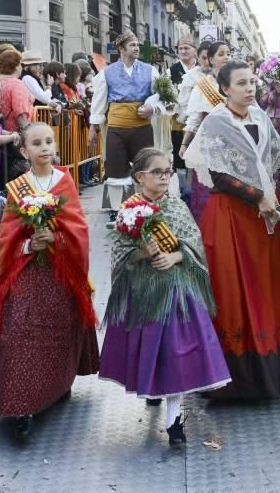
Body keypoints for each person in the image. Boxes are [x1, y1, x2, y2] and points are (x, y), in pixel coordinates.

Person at [184, 60, 280, 398]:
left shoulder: (261, 117)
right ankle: (242, 374)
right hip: (233, 217)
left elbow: (275, 162)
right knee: (239, 287)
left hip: (266, 215)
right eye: (241, 83)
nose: (249, 88)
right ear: (225, 89)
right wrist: (256, 196)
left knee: (272, 281)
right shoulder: (215, 123)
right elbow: (218, 176)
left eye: (251, 81)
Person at [0, 122, 99, 439]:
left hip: (61, 269)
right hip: (27, 269)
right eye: (37, 143)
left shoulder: (65, 181)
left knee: (58, 326)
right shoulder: (18, 187)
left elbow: (79, 230)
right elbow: (9, 235)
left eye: (48, 142)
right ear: (24, 149)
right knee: (19, 327)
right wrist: (31, 244)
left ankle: (56, 384)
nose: (44, 148)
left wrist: (56, 238)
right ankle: (22, 404)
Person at [99, 147, 230, 444]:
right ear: (139, 177)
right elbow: (120, 255)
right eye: (157, 172)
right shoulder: (128, 210)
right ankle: (153, 391)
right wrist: (141, 253)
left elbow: (193, 244)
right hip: (141, 289)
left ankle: (174, 422)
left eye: (168, 171)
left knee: (173, 350)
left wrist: (174, 258)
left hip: (174, 287)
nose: (165, 177)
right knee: (150, 348)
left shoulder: (176, 207)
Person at [89, 31, 170, 223]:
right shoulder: (106, 73)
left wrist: (152, 108)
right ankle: (115, 209)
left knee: (146, 166)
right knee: (115, 167)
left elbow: (162, 98)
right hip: (117, 127)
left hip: (142, 127)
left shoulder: (150, 70)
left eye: (137, 45)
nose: (136, 48)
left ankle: (148, 202)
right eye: (132, 45)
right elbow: (98, 101)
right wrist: (93, 128)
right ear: (121, 49)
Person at [179, 41, 231, 221]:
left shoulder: (237, 82)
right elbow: (194, 119)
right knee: (205, 189)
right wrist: (185, 143)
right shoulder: (203, 86)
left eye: (228, 53)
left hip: (233, 143)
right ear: (211, 59)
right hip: (207, 144)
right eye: (221, 54)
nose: (226, 57)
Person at [169, 35, 197, 173]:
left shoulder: (202, 68)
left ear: (194, 50)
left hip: (199, 118)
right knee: (179, 151)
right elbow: (167, 96)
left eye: (186, 48)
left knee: (197, 152)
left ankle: (198, 188)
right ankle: (183, 190)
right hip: (178, 119)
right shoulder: (172, 70)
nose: (183, 51)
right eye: (180, 48)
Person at [0, 50, 34, 137]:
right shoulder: (16, 84)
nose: (21, 67)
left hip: (0, 131)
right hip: (15, 134)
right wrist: (29, 134)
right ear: (16, 66)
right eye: (21, 64)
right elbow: (20, 113)